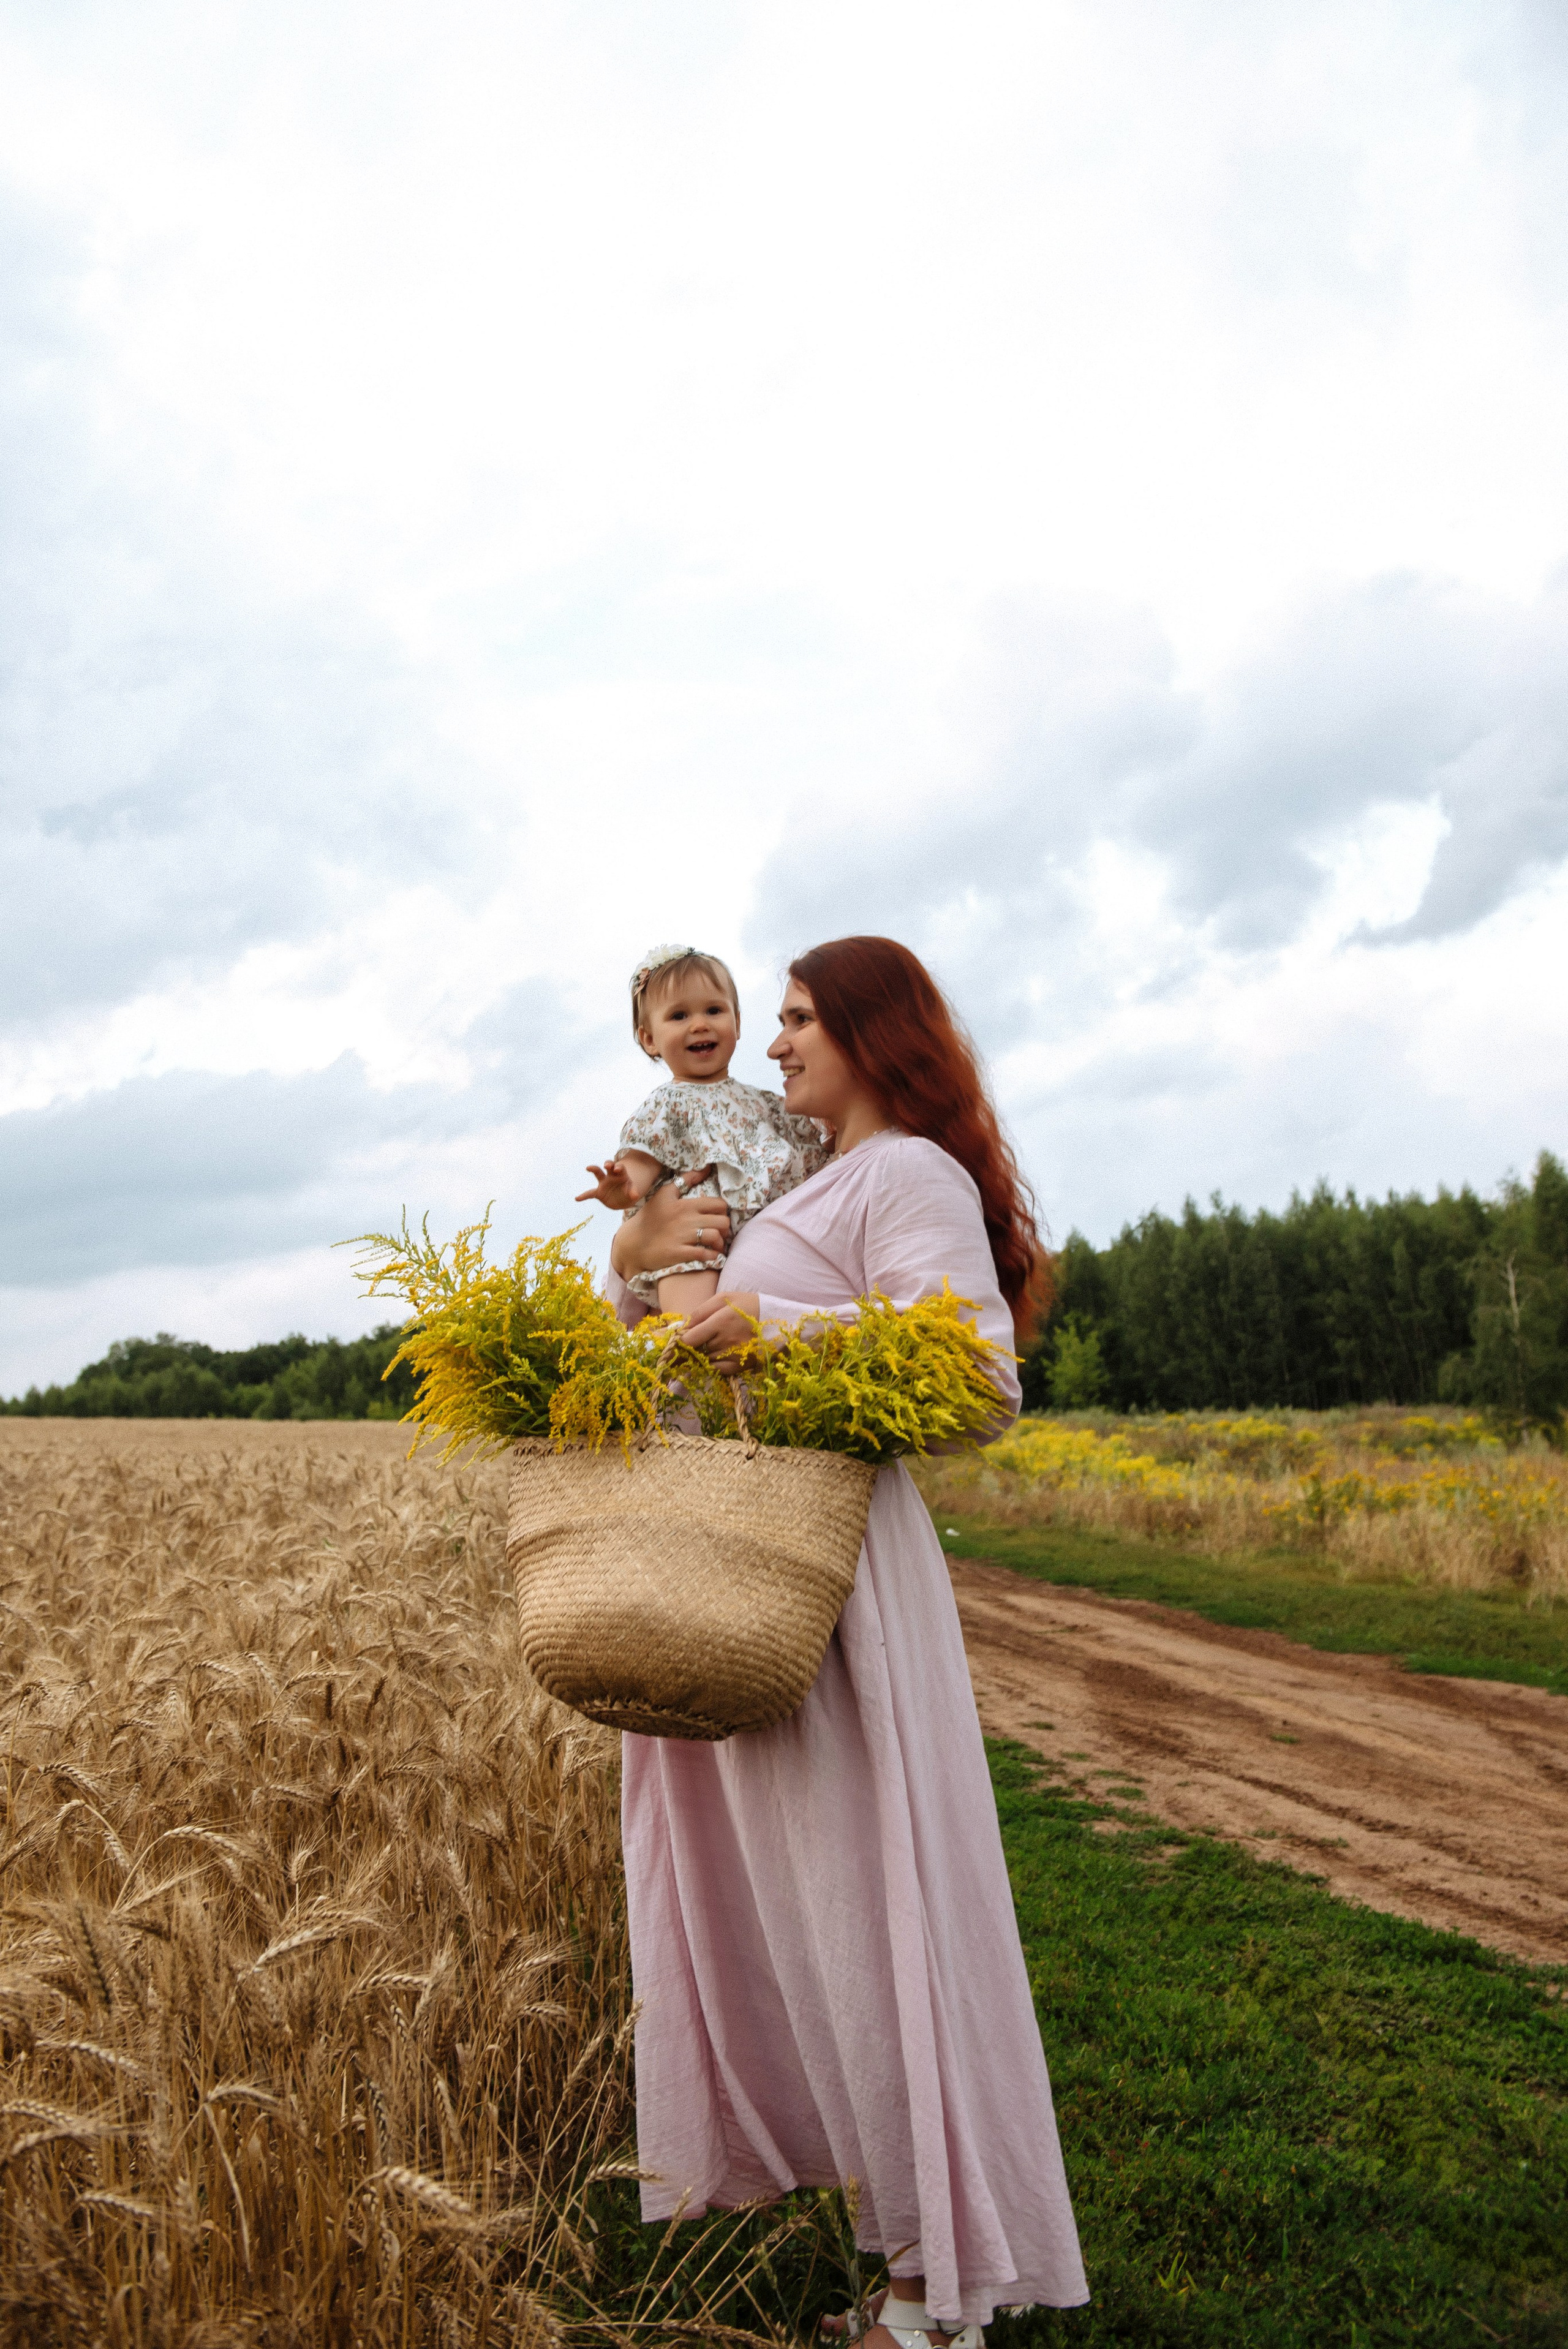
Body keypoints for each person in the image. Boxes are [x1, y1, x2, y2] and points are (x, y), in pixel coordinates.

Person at [603, 937, 1088, 2347]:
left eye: (800, 1017)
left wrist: (782, 1329)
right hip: (749, 1570)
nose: (771, 1042)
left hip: (839, 1584)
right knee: (810, 1925)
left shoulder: (908, 1175)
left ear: (874, 1034)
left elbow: (975, 1378)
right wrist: (635, 1263)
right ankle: (901, 2259)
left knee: (874, 1914)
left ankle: (940, 2291)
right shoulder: (802, 1183)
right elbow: (667, 1343)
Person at [576, 943, 831, 1314]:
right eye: (679, 1016)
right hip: (693, 1235)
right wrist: (621, 1188)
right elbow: (642, 1164)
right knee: (692, 1333)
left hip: (764, 1232)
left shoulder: (767, 1103)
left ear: (737, 1023)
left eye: (714, 1010)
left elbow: (815, 1152)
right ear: (650, 1039)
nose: (700, 1024)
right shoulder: (667, 1105)